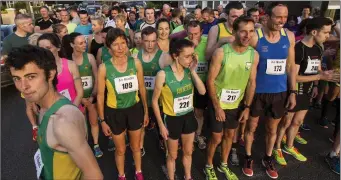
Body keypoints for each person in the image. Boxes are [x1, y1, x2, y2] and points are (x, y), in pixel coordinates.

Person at [6, 44, 103, 179]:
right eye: (17, 78)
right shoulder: (44, 107)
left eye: (31, 77)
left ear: (50, 74)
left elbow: (94, 175)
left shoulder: (62, 122)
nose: (24, 87)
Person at [273, 17, 339, 166]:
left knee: (297, 122)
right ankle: (277, 147)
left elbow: (317, 67)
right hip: (294, 91)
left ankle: (289, 146)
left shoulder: (319, 47)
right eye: (326, 32)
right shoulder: (299, 48)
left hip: (308, 91)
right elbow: (293, 76)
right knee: (286, 122)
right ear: (314, 32)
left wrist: (317, 83)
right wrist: (319, 77)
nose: (328, 36)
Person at [243, 3, 297, 179]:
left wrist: (293, 92)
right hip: (257, 92)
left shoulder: (288, 36)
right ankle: (248, 157)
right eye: (278, 17)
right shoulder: (256, 37)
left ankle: (267, 157)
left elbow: (290, 66)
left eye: (285, 17)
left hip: (279, 92)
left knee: (272, 129)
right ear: (267, 17)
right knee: (251, 127)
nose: (282, 21)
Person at [204, 16, 259, 180]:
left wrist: (247, 107)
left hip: (236, 105)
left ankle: (224, 164)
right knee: (216, 137)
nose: (247, 35)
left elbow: (251, 83)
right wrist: (217, 107)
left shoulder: (253, 55)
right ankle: (208, 165)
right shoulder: (221, 52)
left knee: (230, 136)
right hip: (218, 103)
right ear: (234, 32)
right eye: (243, 31)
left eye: (251, 31)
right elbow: (210, 80)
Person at [97, 28, 149, 180]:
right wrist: (102, 120)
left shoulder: (136, 63)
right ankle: (121, 175)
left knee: (136, 146)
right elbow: (100, 96)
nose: (120, 48)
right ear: (109, 47)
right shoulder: (104, 68)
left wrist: (145, 111)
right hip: (114, 112)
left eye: (123, 43)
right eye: (115, 44)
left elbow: (142, 88)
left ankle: (139, 172)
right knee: (120, 149)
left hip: (134, 110)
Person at [152, 39, 206, 180]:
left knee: (188, 152)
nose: (190, 59)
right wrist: (161, 125)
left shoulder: (189, 71)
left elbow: (202, 91)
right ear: (176, 56)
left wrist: (193, 71)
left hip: (188, 117)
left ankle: (188, 176)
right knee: (172, 155)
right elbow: (154, 101)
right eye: (187, 56)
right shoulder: (163, 75)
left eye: (192, 56)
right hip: (171, 119)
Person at [65, 32, 103, 158]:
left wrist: (93, 95)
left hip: (91, 96)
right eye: (80, 43)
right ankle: (84, 145)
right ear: (72, 45)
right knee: (81, 123)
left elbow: (97, 77)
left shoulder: (90, 57)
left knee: (93, 121)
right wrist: (79, 98)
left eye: (85, 42)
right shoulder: (68, 60)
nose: (84, 45)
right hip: (77, 99)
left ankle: (96, 144)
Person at [137, 26, 172, 155]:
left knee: (162, 127)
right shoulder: (135, 55)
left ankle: (166, 146)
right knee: (141, 126)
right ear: (141, 40)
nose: (150, 44)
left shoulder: (164, 57)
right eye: (147, 41)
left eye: (153, 41)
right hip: (142, 100)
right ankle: (140, 147)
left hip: (159, 101)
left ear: (157, 40)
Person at [185, 20, 209, 150]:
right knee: (188, 111)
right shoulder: (183, 42)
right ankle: (188, 135)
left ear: (201, 32)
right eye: (190, 34)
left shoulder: (207, 42)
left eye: (196, 34)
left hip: (202, 82)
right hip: (187, 83)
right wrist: (191, 47)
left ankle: (198, 134)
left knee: (199, 111)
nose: (193, 37)